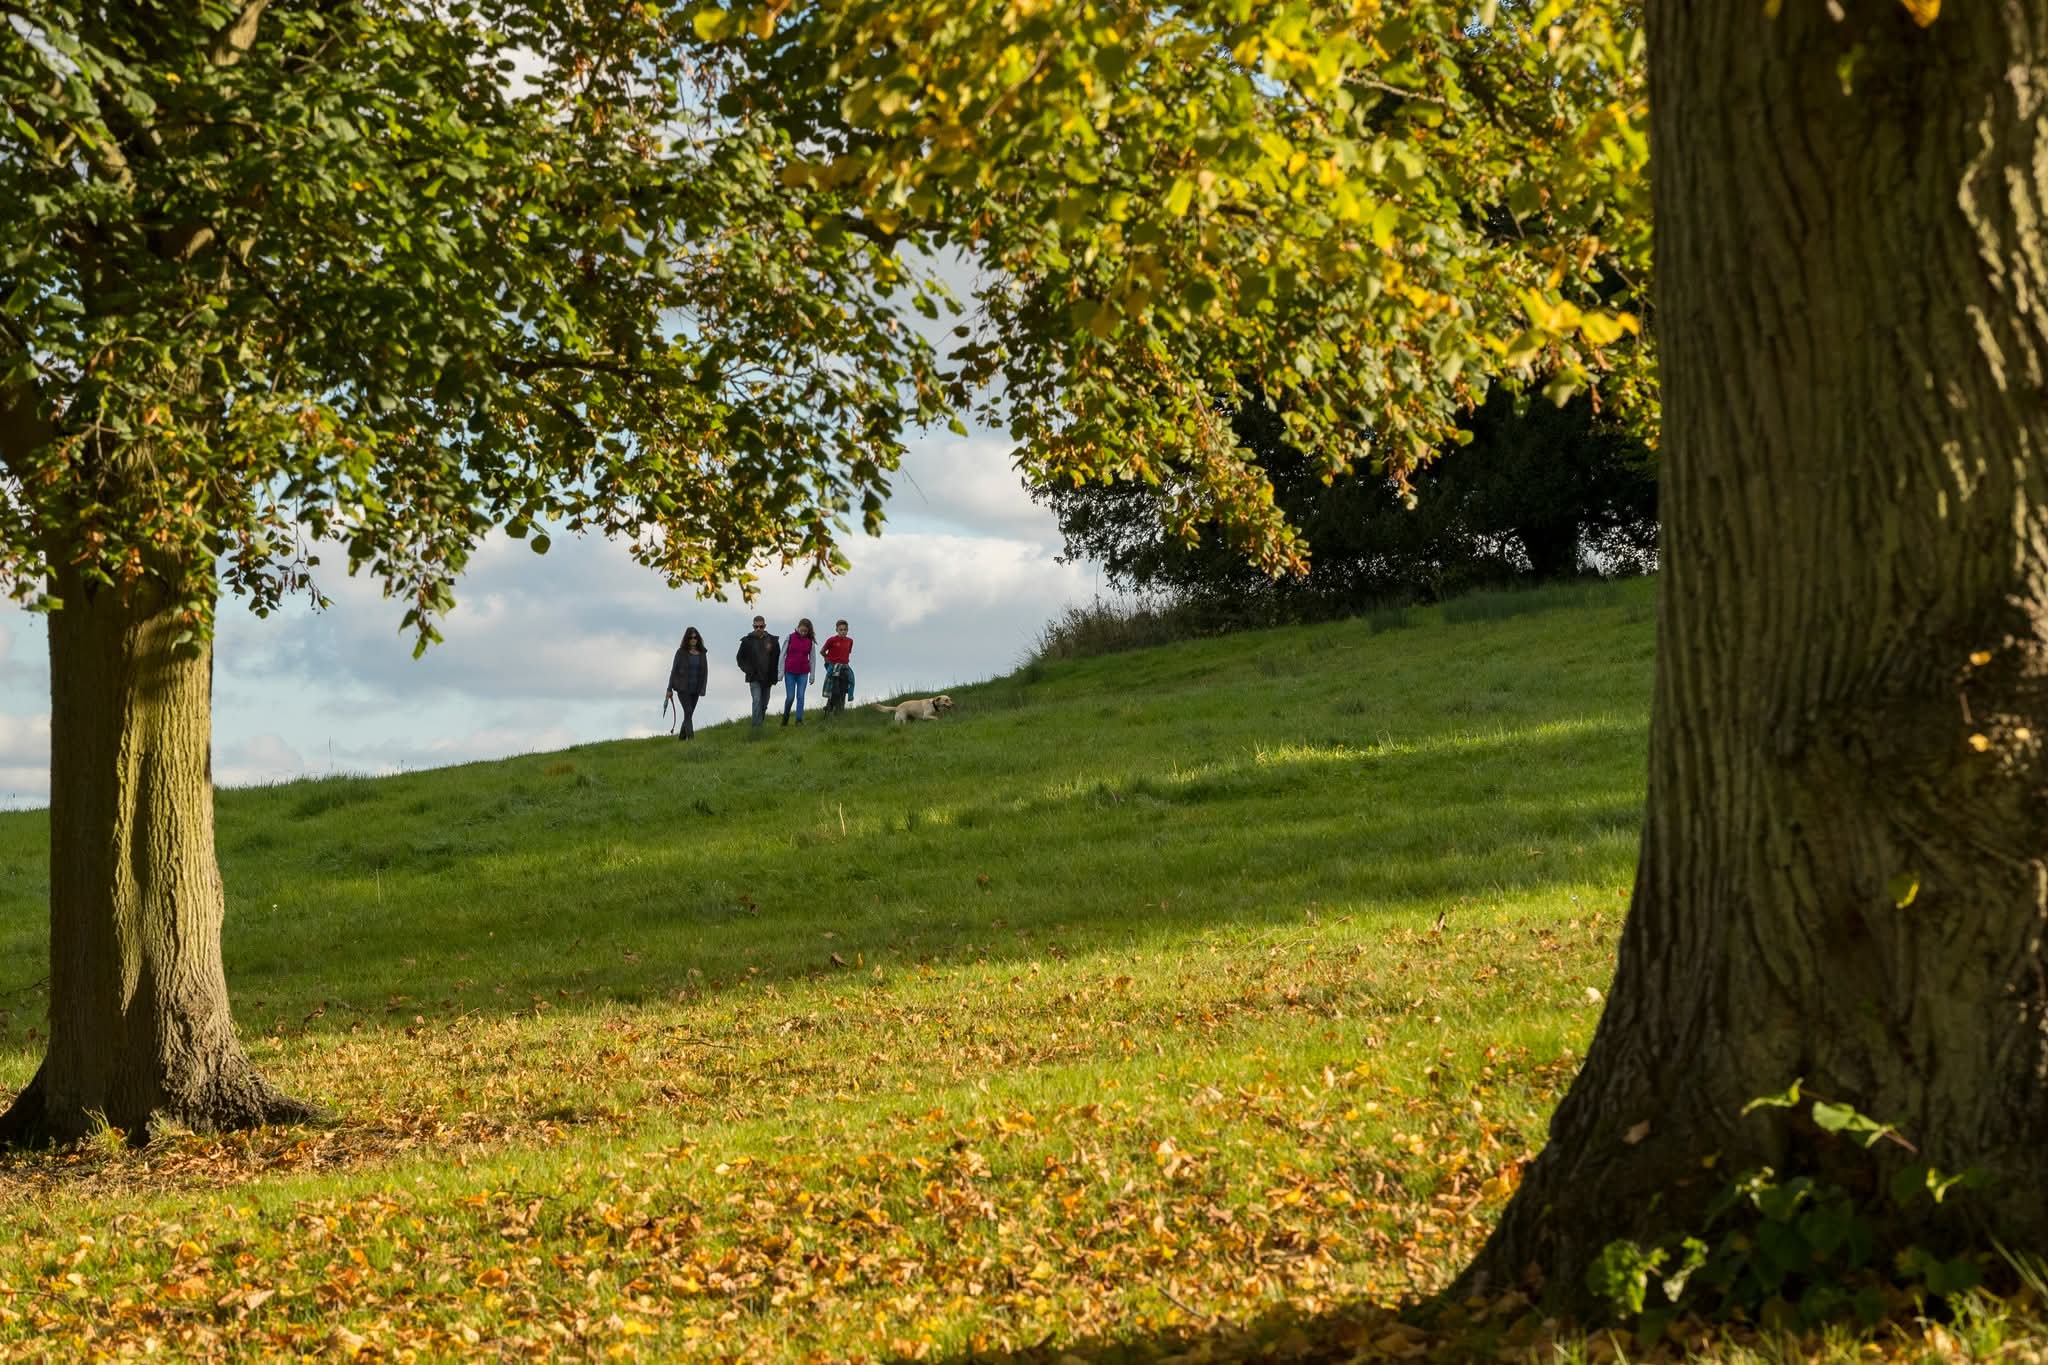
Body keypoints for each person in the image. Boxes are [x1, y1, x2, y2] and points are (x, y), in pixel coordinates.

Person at [735, 614, 780, 728]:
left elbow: (778, 658)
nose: (759, 629)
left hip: (768, 678)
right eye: (756, 627)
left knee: (764, 704)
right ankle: (756, 728)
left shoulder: (773, 641)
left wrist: (777, 674)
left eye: (761, 626)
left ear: (765, 626)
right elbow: (740, 658)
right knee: (756, 701)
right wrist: (748, 670)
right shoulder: (747, 641)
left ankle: (760, 722)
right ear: (753, 626)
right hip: (754, 677)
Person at [666, 626, 708, 740]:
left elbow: (705, 672)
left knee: (688, 715)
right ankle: (691, 740)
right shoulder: (681, 653)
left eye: (695, 637)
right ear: (687, 639)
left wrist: (702, 688)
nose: (693, 640)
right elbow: (674, 670)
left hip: (696, 688)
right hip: (683, 688)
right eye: (690, 638)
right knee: (688, 711)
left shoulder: (702, 653)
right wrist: (669, 689)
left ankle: (681, 738)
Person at [781, 618, 817, 726]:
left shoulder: (810, 642)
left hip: (803, 673)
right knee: (790, 697)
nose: (803, 633)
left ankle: (799, 720)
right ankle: (785, 717)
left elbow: (813, 659)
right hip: (790, 672)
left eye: (806, 631)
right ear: (798, 627)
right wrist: (780, 672)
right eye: (802, 630)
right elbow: (782, 655)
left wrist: (812, 675)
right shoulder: (790, 637)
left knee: (800, 696)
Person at [821, 618, 855, 714]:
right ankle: (829, 706)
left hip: (844, 668)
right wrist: (828, 660)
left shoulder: (850, 641)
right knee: (835, 689)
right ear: (837, 630)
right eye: (841, 629)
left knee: (844, 689)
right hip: (834, 668)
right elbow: (822, 651)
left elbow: (848, 652)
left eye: (845, 629)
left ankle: (840, 711)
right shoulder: (831, 640)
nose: (843, 631)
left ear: (847, 630)